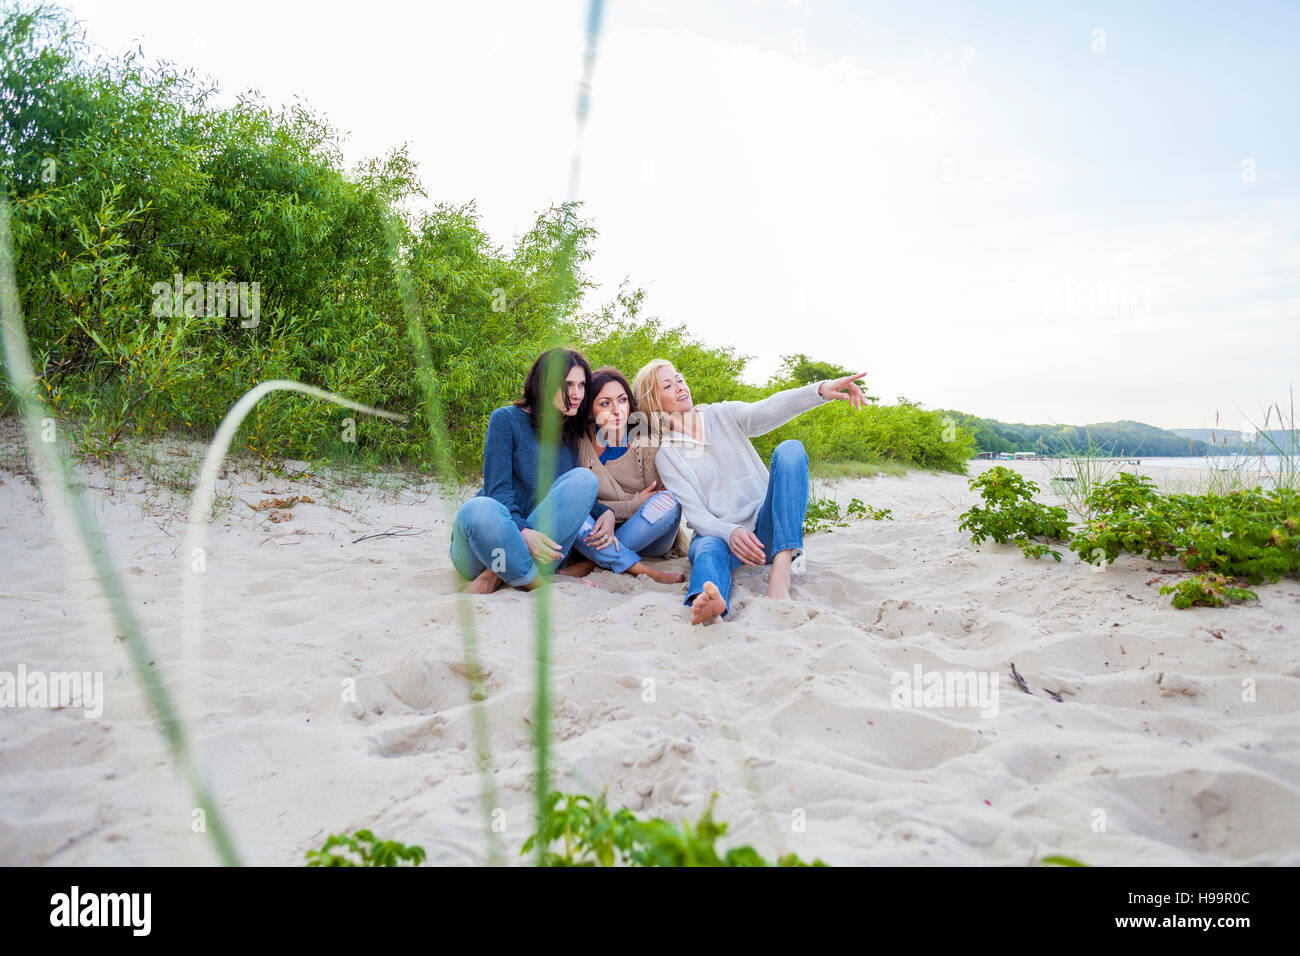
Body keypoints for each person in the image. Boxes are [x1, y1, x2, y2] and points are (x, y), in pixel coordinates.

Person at [631, 360, 868, 624]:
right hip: (723, 536)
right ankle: (710, 599)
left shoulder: (722, 414)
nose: (679, 386)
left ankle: (781, 571)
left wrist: (820, 390)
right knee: (706, 548)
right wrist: (729, 532)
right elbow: (696, 514)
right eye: (667, 385)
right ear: (654, 401)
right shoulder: (667, 454)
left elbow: (769, 408)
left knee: (790, 450)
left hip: (767, 530)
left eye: (679, 379)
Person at [449, 348, 602, 594]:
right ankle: (535, 583)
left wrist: (605, 513)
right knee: (477, 509)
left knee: (585, 479)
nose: (576, 394)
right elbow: (498, 490)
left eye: (582, 385)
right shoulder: (505, 420)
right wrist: (522, 531)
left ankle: (497, 576)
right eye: (568, 384)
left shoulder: (572, 433)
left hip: (540, 551)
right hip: (485, 547)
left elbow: (564, 496)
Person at [560, 366, 686, 585]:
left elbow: (658, 498)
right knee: (573, 510)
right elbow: (579, 502)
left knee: (669, 502)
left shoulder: (644, 440)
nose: (617, 410)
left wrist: (610, 509)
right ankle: (613, 557)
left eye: (622, 400)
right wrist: (634, 502)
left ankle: (594, 562)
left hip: (650, 536)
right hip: (596, 533)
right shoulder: (577, 444)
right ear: (589, 410)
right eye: (605, 403)